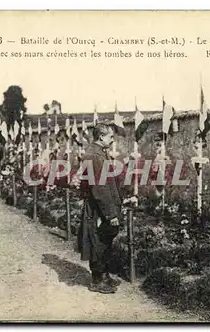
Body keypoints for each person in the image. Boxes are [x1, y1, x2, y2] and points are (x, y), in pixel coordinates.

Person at [77, 124, 123, 294]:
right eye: (111, 137)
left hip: (100, 205)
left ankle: (103, 274)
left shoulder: (98, 153)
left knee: (104, 239)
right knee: (98, 241)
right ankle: (97, 280)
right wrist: (110, 214)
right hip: (98, 207)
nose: (112, 140)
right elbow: (100, 187)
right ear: (101, 137)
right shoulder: (95, 156)